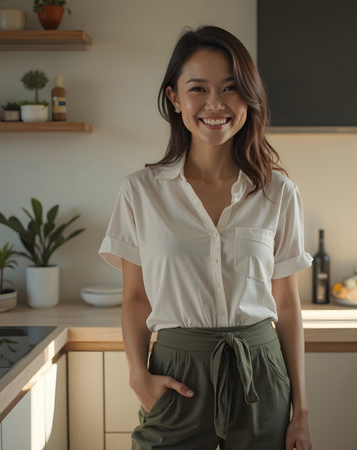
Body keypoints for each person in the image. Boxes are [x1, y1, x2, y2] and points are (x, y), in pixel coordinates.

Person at [99, 25, 313, 450]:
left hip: (260, 372)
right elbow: (136, 297)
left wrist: (301, 413)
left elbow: (287, 304)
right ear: (175, 98)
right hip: (177, 372)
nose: (216, 104)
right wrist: (137, 374)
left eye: (231, 88)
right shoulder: (140, 192)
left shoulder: (278, 193)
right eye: (198, 88)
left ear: (248, 99)